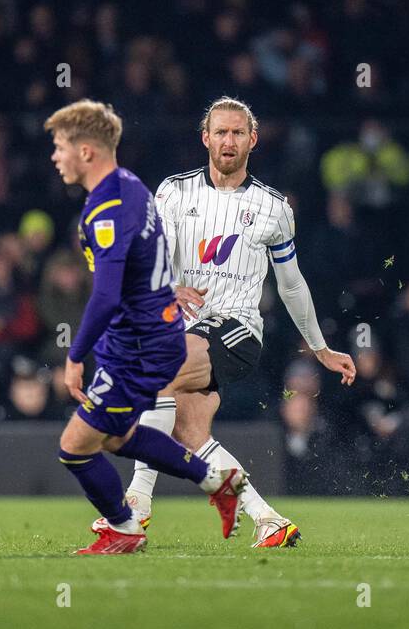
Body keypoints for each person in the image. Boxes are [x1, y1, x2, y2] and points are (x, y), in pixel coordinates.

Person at [123, 97, 356, 547]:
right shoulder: (173, 191)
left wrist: (321, 348)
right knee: (188, 431)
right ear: (205, 139)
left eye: (237, 133)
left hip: (236, 330)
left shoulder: (273, 208)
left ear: (253, 140)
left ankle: (135, 504)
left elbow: (291, 285)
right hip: (183, 329)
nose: (228, 141)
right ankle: (268, 519)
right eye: (220, 132)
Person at [45, 99, 245, 555]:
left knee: (75, 447)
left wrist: (75, 356)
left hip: (137, 347)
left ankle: (125, 526)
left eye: (60, 146)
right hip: (149, 338)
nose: (55, 157)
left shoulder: (108, 209)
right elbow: (149, 264)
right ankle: (215, 479)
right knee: (117, 436)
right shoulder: (133, 187)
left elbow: (107, 293)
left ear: (87, 151)